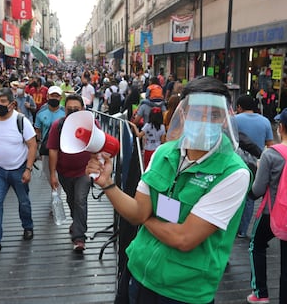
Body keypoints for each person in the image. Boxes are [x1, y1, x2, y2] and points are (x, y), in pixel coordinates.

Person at [86, 76, 251, 303]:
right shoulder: (164, 153)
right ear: (183, 114)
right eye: (196, 113)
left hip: (183, 292)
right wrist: (108, 184)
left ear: (224, 119)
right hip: (136, 273)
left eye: (213, 115)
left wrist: (147, 217)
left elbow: (184, 238)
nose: (204, 121)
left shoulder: (233, 173)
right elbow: (136, 211)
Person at [0, 88, 37, 253]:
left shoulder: (21, 120)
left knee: (23, 202)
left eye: (3, 101)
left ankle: (28, 226)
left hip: (19, 169)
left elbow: (32, 145)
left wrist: (28, 169)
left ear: (12, 104)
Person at [246, 108, 287, 304]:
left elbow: (259, 188)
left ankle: (260, 293)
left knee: (257, 245)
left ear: (281, 128)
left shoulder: (272, 154)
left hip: (273, 214)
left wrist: (249, 194)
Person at [48, 94, 91, 251]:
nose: (73, 112)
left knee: (80, 200)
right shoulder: (57, 126)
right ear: (64, 110)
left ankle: (79, 237)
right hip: (65, 172)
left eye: (76, 109)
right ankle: (77, 223)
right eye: (69, 110)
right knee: (72, 200)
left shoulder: (92, 124)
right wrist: (52, 174)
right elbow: (52, 150)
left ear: (83, 109)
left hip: (85, 171)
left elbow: (100, 143)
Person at [235, 95, 273, 238]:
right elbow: (270, 145)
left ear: (239, 107)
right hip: (256, 165)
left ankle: (232, 228)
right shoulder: (265, 122)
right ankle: (243, 230)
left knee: (235, 196)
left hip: (236, 163)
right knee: (250, 198)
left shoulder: (234, 120)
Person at [34, 86, 66, 199]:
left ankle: (57, 195)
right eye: (52, 95)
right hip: (47, 148)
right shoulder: (41, 112)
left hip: (62, 148)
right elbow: (37, 131)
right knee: (48, 173)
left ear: (60, 97)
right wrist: (36, 150)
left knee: (60, 172)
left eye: (57, 96)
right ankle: (54, 190)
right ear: (47, 96)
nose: (54, 98)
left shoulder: (64, 111)